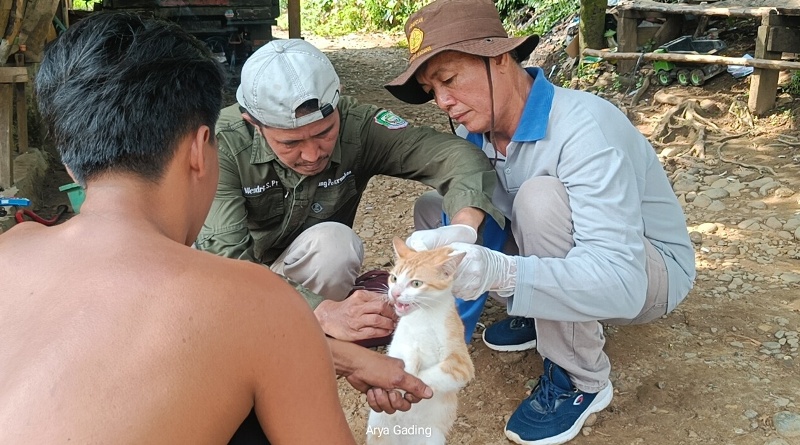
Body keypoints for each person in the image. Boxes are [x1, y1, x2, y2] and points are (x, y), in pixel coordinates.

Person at [0, 12, 431, 445]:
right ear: (200, 150)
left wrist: (341, 358)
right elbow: (254, 333)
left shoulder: (10, 249)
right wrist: (322, 352)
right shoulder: (258, 303)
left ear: (72, 163)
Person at [385, 1, 697, 444]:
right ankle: (541, 312)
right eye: (431, 90)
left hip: (648, 274)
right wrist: (458, 230)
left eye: (450, 80)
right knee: (435, 205)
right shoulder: (475, 127)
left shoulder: (584, 128)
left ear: (499, 59)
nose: (444, 102)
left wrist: (501, 271)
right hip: (582, 256)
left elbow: (623, 283)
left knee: (539, 198)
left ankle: (580, 377)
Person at [195, 38, 505, 344]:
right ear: (254, 123)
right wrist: (324, 311)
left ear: (339, 103)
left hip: (306, 269)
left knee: (336, 245)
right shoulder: (220, 145)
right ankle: (295, 332)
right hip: (233, 281)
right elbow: (226, 264)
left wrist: (463, 228)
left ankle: (305, 331)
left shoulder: (359, 126)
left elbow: (456, 156)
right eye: (290, 143)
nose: (313, 154)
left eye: (325, 133)